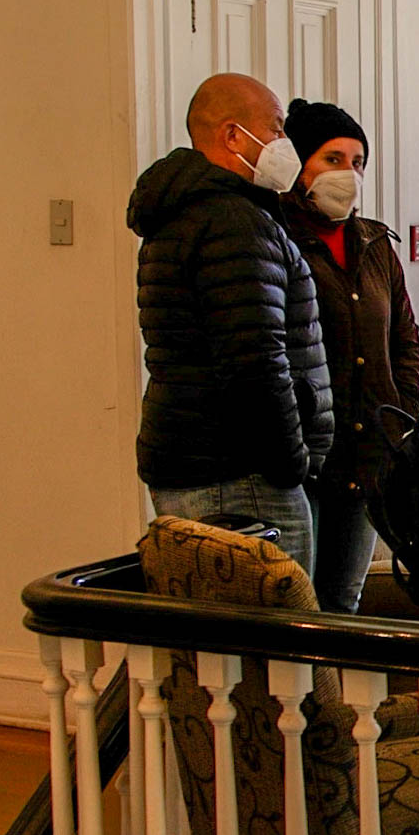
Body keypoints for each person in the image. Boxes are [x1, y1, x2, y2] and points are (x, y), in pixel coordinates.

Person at [130, 73, 333, 576]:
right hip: (240, 475)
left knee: (225, 649)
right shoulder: (232, 222)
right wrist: (292, 464)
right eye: (276, 127)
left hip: (205, 462)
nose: (284, 142)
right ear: (233, 136)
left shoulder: (187, 212)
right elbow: (255, 363)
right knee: (275, 647)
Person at [279, 99, 419, 613]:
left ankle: (336, 697)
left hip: (370, 460)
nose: (349, 173)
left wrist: (400, 415)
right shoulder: (278, 240)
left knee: (344, 599)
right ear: (298, 165)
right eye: (332, 159)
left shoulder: (374, 244)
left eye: (357, 161)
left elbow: (404, 341)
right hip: (307, 460)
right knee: (297, 606)